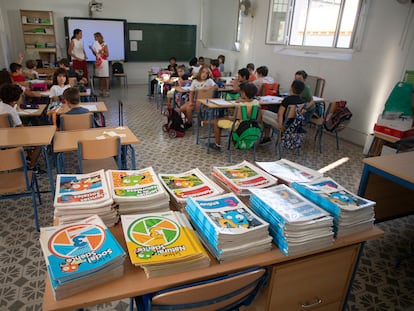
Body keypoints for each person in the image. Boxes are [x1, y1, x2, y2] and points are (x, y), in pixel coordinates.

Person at [0, 83, 42, 170]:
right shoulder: (11, 112)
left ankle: (28, 157)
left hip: (2, 137)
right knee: (40, 143)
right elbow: (21, 128)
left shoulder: (2, 105)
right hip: (12, 137)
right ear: (15, 100)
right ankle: (32, 166)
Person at [209, 83, 259, 151]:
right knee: (220, 120)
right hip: (251, 126)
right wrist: (242, 100)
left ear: (243, 93)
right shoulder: (256, 103)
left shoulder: (240, 105)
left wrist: (224, 118)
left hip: (238, 126)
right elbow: (249, 101)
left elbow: (235, 119)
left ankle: (217, 145)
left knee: (216, 122)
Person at [259, 79, 305, 145]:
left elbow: (280, 114)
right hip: (293, 124)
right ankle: (267, 136)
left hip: (283, 124)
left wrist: (280, 127)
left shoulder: (287, 99)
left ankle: (264, 136)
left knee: (261, 112)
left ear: (291, 88)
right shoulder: (302, 102)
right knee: (267, 116)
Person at [89, 32, 109, 97]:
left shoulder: (104, 44)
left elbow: (107, 54)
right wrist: (92, 49)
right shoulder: (95, 44)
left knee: (105, 77)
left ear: (99, 37)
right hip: (98, 61)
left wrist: (102, 52)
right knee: (100, 77)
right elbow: (96, 54)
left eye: (95, 37)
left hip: (104, 61)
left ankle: (106, 91)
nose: (95, 39)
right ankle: (100, 91)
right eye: (94, 37)